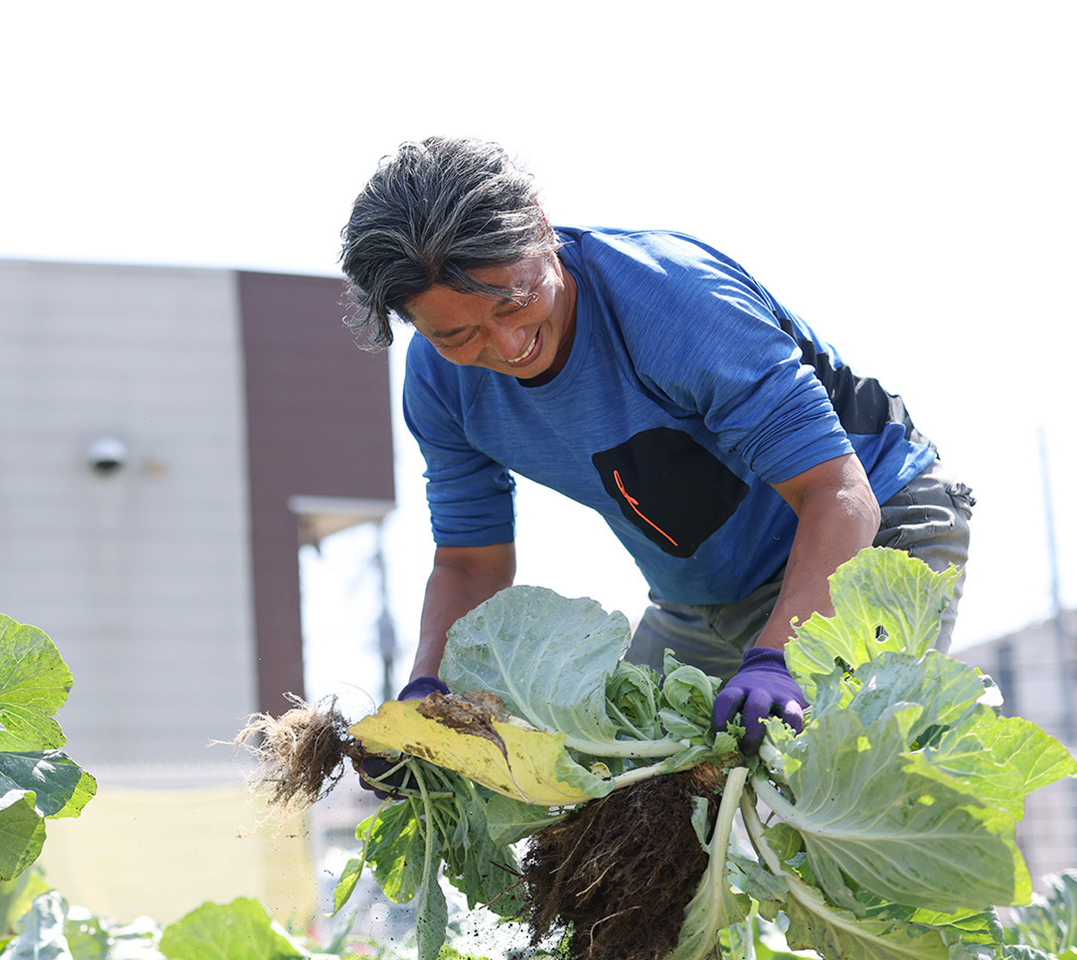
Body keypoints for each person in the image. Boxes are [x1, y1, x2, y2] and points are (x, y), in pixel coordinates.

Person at [338, 137, 970, 760]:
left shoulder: (673, 301)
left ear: (540, 227)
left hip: (872, 529)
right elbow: (470, 563)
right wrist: (428, 692)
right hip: (700, 600)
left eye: (514, 300)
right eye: (459, 333)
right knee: (615, 807)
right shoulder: (440, 382)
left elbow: (835, 491)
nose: (505, 346)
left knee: (834, 787)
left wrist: (777, 657)